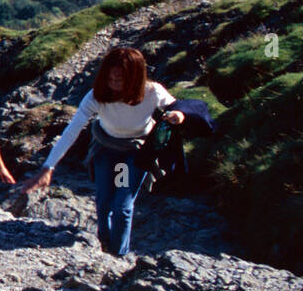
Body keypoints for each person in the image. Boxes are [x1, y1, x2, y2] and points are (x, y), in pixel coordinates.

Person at [21, 46, 184, 258]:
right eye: (111, 78)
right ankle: (103, 243)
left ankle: (117, 255)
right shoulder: (96, 96)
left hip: (132, 154)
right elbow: (72, 130)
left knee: (122, 204)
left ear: (135, 77)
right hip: (106, 149)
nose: (114, 83)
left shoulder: (152, 92)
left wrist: (177, 114)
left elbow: (178, 106)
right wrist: (47, 167)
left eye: (121, 79)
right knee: (104, 200)